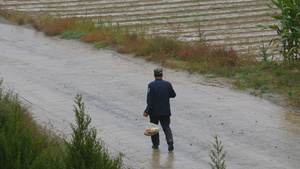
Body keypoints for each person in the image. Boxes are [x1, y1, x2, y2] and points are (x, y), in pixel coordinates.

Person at [143, 68, 176, 152]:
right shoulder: (168, 84)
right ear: (162, 75)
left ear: (154, 75)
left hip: (154, 112)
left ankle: (155, 145)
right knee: (166, 127)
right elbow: (173, 95)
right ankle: (170, 140)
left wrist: (147, 111)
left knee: (154, 128)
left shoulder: (151, 85)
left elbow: (150, 100)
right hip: (165, 111)